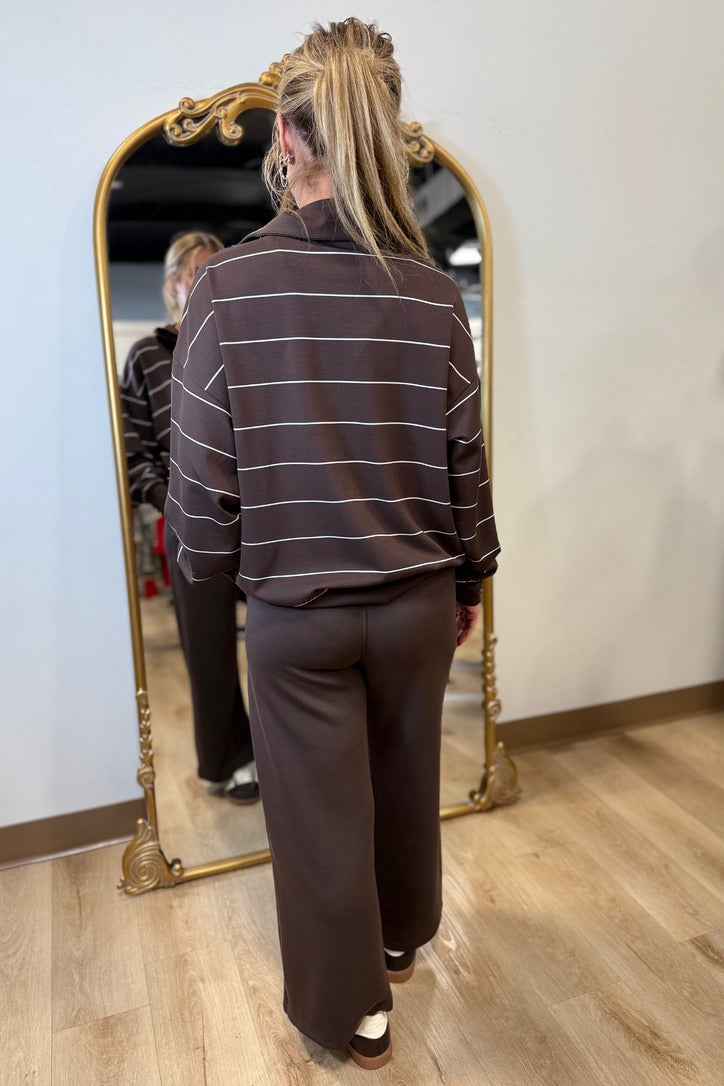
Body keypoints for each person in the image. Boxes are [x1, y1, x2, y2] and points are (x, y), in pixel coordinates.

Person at [166, 18, 500, 1069]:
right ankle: (401, 939)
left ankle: (355, 1011)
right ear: (380, 134)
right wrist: (472, 576)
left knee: (319, 824)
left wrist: (215, 579)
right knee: (404, 780)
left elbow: (200, 486)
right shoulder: (432, 293)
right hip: (416, 601)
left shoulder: (223, 292)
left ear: (285, 137)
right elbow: (465, 461)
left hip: (297, 614)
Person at [120, 231, 258, 804]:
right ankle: (234, 759)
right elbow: (134, 453)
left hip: (259, 515)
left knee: (283, 635)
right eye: (194, 272)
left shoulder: (244, 342)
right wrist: (171, 500)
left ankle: (286, 747)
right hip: (187, 521)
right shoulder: (146, 357)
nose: (204, 280)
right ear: (173, 283)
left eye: (214, 269)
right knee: (208, 648)